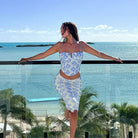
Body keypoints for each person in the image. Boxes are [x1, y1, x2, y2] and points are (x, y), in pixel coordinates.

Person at [18, 22, 122, 138]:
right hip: (62, 81)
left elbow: (99, 54)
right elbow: (43, 54)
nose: (61, 32)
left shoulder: (81, 45)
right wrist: (27, 59)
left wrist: (114, 58)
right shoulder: (60, 46)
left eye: (63, 29)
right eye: (61, 30)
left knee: (74, 112)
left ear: (69, 29)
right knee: (73, 110)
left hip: (76, 83)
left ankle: (68, 112)